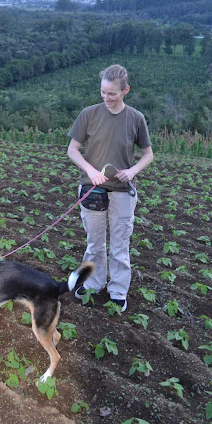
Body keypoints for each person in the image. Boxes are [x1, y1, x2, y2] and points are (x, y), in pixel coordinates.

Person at [67, 64, 153, 311]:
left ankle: (117, 290)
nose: (106, 98)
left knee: (119, 245)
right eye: (103, 93)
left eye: (112, 94)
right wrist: (91, 171)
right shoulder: (89, 114)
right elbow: (72, 150)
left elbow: (148, 154)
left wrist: (133, 171)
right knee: (94, 243)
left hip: (122, 192)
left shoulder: (136, 118)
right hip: (92, 189)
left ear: (125, 90)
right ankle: (94, 283)